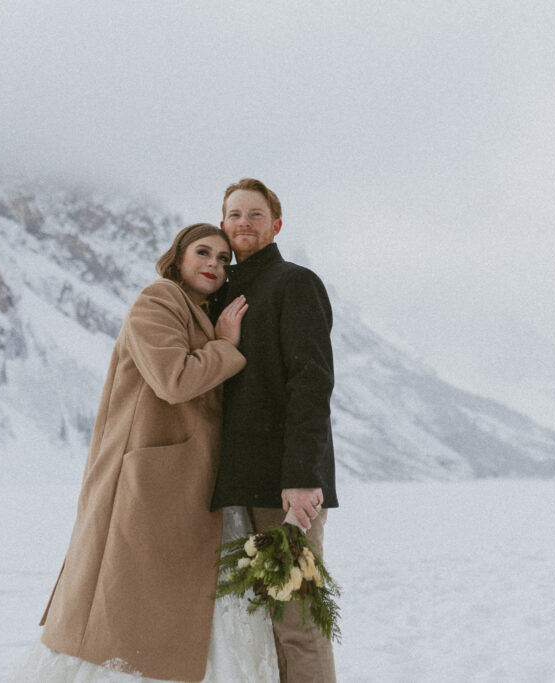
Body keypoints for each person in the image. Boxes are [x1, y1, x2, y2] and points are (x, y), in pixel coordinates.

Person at [19, 223, 279, 682]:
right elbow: (173, 379)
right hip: (149, 479)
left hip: (188, 481)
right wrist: (225, 346)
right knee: (127, 608)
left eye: (223, 260)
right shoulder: (158, 299)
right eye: (203, 252)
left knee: (175, 603)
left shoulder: (198, 309)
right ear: (177, 257)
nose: (214, 265)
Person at [211, 178, 338, 683]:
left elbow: (312, 383)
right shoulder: (220, 292)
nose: (244, 223)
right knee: (253, 621)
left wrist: (303, 479)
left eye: (255, 215)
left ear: (276, 225)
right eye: (235, 215)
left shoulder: (294, 283)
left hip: (286, 487)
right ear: (223, 225)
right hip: (234, 483)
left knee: (297, 621)